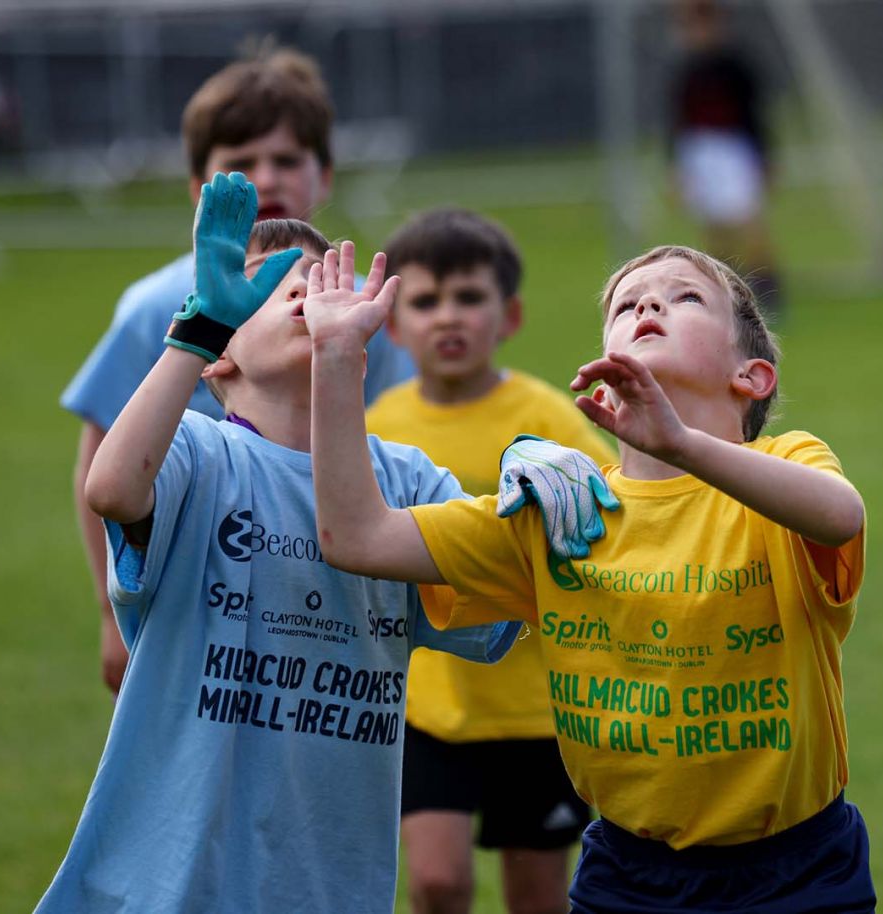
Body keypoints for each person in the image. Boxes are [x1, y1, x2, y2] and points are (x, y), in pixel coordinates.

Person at [36, 173, 604, 914]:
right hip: (171, 884)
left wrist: (531, 486)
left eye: (320, 278)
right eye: (270, 287)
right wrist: (196, 329)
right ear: (221, 356)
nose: (305, 292)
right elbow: (111, 488)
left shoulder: (402, 478)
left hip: (328, 882)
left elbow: (509, 595)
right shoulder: (200, 455)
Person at [308, 244, 876, 913]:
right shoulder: (562, 514)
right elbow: (356, 535)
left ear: (752, 376)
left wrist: (682, 446)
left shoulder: (790, 465)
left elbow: (840, 516)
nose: (650, 305)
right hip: (628, 877)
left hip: (797, 870)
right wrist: (337, 358)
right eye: (627, 303)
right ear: (601, 380)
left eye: (686, 297)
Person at [61, 45, 414, 696]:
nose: (267, 178)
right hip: (194, 580)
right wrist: (111, 613)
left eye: (285, 160)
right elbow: (100, 464)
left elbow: (401, 432)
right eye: (241, 164)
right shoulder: (155, 308)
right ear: (202, 190)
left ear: (325, 175)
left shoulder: (363, 309)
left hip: (328, 580)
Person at [365, 208, 615, 914]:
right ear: (391, 323)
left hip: (538, 708)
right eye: (425, 301)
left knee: (538, 900)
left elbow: (612, 524)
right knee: (437, 883)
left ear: (509, 315)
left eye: (469, 298)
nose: (449, 317)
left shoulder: (551, 419)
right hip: (427, 702)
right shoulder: (376, 425)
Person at [669, 0, 781, 315]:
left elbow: (754, 114)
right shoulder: (685, 69)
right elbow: (678, 121)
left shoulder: (736, 65)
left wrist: (764, 157)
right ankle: (720, 293)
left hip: (733, 148)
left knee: (749, 222)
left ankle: (769, 292)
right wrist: (677, 165)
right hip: (700, 152)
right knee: (713, 226)